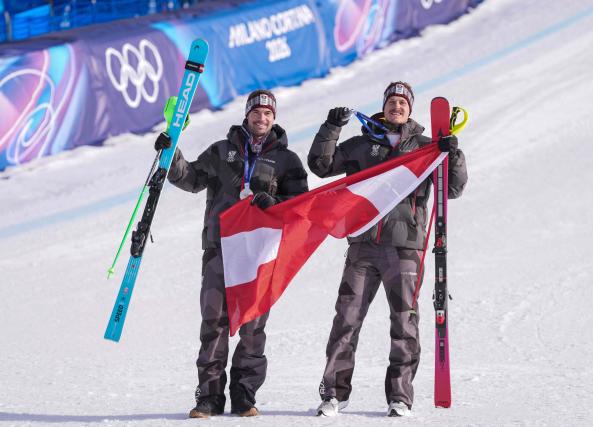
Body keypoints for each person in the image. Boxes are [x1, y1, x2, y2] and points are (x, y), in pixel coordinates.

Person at [307, 82, 468, 417]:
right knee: (346, 322)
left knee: (404, 324)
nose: (397, 107)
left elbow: (452, 188)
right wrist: (331, 128)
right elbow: (321, 166)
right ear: (384, 106)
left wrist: (452, 152)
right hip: (363, 247)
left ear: (410, 109)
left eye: (402, 102)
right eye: (392, 101)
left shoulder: (426, 147)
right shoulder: (363, 145)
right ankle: (334, 395)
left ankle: (400, 397)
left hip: (406, 248)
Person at [156, 90, 309, 418]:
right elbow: (192, 178)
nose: (262, 118)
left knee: (253, 325)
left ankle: (244, 394)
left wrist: (274, 203)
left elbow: (301, 207)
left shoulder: (287, 161)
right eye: (257, 112)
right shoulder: (221, 151)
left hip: (259, 255)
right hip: (219, 249)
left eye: (268, 113)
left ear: (274, 118)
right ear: (247, 114)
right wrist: (171, 152)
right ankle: (208, 397)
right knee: (214, 322)